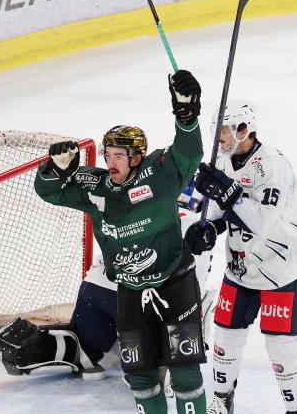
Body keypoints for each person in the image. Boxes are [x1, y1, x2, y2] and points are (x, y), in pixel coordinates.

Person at [32, 70, 206, 414]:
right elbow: (48, 191)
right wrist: (53, 169)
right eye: (107, 154)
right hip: (129, 290)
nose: (109, 162)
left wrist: (186, 115)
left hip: (174, 282)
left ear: (137, 158)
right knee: (140, 376)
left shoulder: (160, 175)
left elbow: (190, 152)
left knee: (185, 373)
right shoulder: (95, 188)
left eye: (118, 156)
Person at [0, 188, 217, 386]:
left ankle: (27, 346)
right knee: (170, 321)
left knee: (84, 349)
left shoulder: (136, 206)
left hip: (94, 289)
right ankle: (153, 365)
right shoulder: (197, 226)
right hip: (132, 300)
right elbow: (188, 291)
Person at [185, 99, 297, 414]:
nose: (219, 138)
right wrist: (207, 230)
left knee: (280, 348)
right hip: (241, 267)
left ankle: (296, 408)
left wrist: (227, 193)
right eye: (217, 131)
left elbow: (262, 223)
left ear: (245, 130)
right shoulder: (225, 161)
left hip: (282, 267)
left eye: (225, 131)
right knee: (226, 337)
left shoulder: (273, 166)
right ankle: (222, 400)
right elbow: (217, 212)